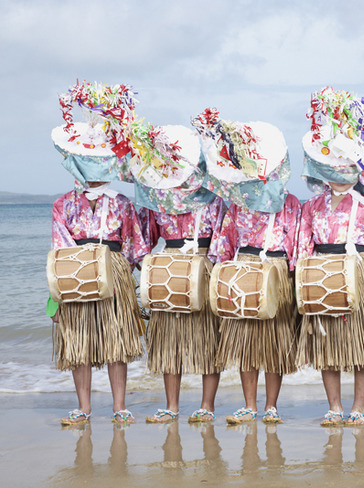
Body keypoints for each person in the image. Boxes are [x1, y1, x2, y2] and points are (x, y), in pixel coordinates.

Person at [192, 109, 302, 424]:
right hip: (243, 267)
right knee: (245, 341)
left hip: (277, 269)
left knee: (276, 341)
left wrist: (295, 278)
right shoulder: (237, 201)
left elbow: (297, 242)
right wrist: (218, 279)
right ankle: (249, 404)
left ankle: (271, 406)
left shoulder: (291, 202)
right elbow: (224, 245)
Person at [296, 87, 364, 426]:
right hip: (322, 273)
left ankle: (359, 408)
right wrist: (302, 284)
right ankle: (334, 406)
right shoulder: (312, 205)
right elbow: (303, 248)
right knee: (329, 345)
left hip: (360, 272)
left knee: (362, 345)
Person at [48, 81, 148, 425]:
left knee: (115, 342)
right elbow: (59, 250)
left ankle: (119, 406)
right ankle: (84, 407)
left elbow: (136, 247)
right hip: (75, 273)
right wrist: (55, 298)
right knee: (79, 342)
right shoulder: (63, 204)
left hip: (114, 274)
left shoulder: (122, 203)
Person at [131, 124, 227, 424]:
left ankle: (206, 406)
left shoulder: (213, 196)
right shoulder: (157, 199)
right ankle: (171, 407)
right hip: (167, 267)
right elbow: (142, 241)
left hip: (205, 266)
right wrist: (148, 269)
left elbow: (223, 239)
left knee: (209, 340)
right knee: (168, 342)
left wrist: (208, 269)